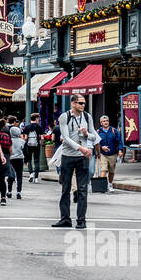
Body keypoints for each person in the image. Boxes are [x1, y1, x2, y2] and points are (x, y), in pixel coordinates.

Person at [53, 95, 98, 229]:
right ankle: (65, 218)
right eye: (80, 103)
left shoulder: (87, 117)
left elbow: (94, 135)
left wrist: (86, 134)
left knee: (82, 189)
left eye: (84, 103)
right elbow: (65, 138)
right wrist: (81, 148)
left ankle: (81, 220)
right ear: (73, 103)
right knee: (65, 189)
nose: (83, 105)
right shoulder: (64, 117)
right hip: (68, 155)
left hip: (82, 157)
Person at [96, 115, 122, 193]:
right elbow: (95, 143)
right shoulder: (98, 132)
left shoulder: (114, 130)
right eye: (104, 121)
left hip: (113, 154)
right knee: (103, 170)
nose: (105, 122)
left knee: (111, 171)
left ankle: (110, 184)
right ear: (101, 123)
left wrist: (120, 150)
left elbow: (119, 141)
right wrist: (101, 147)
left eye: (107, 120)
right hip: (103, 154)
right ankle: (102, 186)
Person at [22, 113, 44, 182]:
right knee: (36, 161)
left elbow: (25, 138)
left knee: (29, 160)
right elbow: (42, 137)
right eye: (38, 118)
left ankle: (31, 173)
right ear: (36, 118)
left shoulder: (27, 127)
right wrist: (40, 143)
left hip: (29, 145)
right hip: (36, 145)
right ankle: (36, 178)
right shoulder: (39, 127)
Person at [7, 116, 26, 198]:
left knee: (10, 175)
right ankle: (18, 192)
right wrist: (26, 160)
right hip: (20, 158)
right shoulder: (22, 141)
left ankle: (9, 191)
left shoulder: (9, 140)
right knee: (19, 175)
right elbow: (25, 151)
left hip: (11, 159)